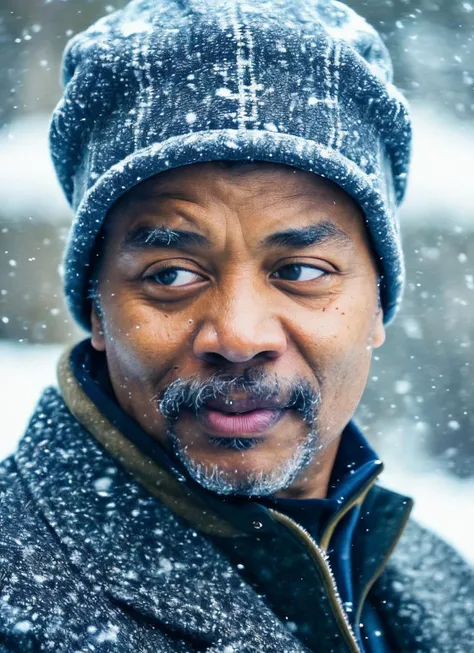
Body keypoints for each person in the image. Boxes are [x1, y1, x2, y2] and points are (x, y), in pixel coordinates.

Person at [0, 0, 472, 651]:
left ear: (378, 301)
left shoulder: (441, 586)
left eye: (302, 271)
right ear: (96, 307)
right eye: (170, 275)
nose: (241, 336)